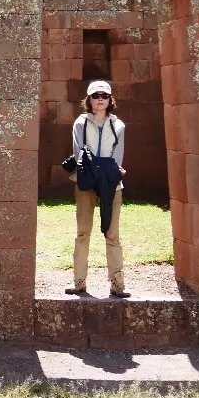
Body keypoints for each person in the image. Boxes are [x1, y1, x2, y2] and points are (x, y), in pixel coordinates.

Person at [66, 80, 130, 299]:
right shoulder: (80, 123)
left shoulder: (118, 125)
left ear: (110, 99)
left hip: (111, 183)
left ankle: (117, 284)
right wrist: (95, 174)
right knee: (83, 233)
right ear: (89, 99)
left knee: (112, 234)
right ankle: (79, 282)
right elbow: (79, 153)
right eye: (96, 96)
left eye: (104, 95)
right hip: (86, 181)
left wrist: (112, 176)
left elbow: (117, 156)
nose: (100, 99)